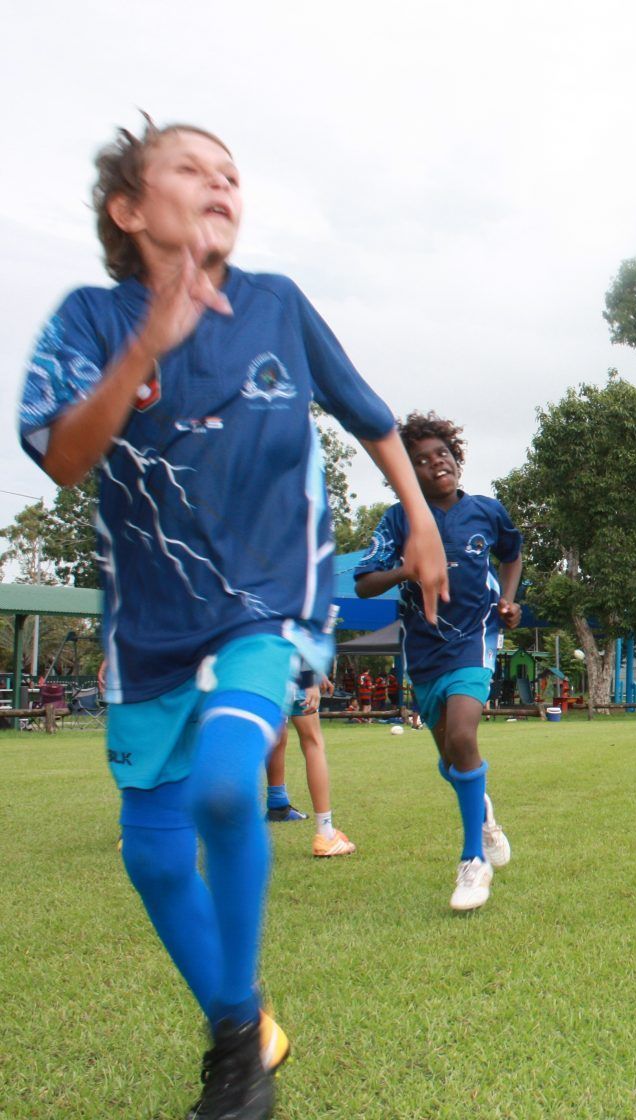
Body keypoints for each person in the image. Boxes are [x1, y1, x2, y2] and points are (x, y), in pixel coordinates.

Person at [17, 116, 445, 1120]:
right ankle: (245, 1016)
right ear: (129, 208)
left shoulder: (279, 307)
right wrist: (147, 347)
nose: (222, 185)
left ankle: (233, 1059)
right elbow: (63, 454)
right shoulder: (85, 321)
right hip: (147, 630)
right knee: (154, 852)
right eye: (191, 169)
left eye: (233, 174)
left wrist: (417, 519)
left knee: (225, 787)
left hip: (270, 606)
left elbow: (374, 418)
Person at [355, 411, 520, 912]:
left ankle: (474, 861)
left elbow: (512, 554)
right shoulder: (399, 520)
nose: (435, 465)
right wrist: (406, 568)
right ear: (407, 471)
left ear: (457, 458)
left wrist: (509, 601)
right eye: (421, 462)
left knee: (464, 737)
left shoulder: (487, 512)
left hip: (475, 638)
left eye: (442, 455)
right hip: (424, 648)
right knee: (451, 758)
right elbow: (364, 582)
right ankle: (484, 815)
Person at [264, 669, 356, 857]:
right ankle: (326, 835)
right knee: (313, 741)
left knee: (275, 735)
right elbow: (299, 639)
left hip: (265, 669)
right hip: (295, 669)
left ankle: (278, 805)